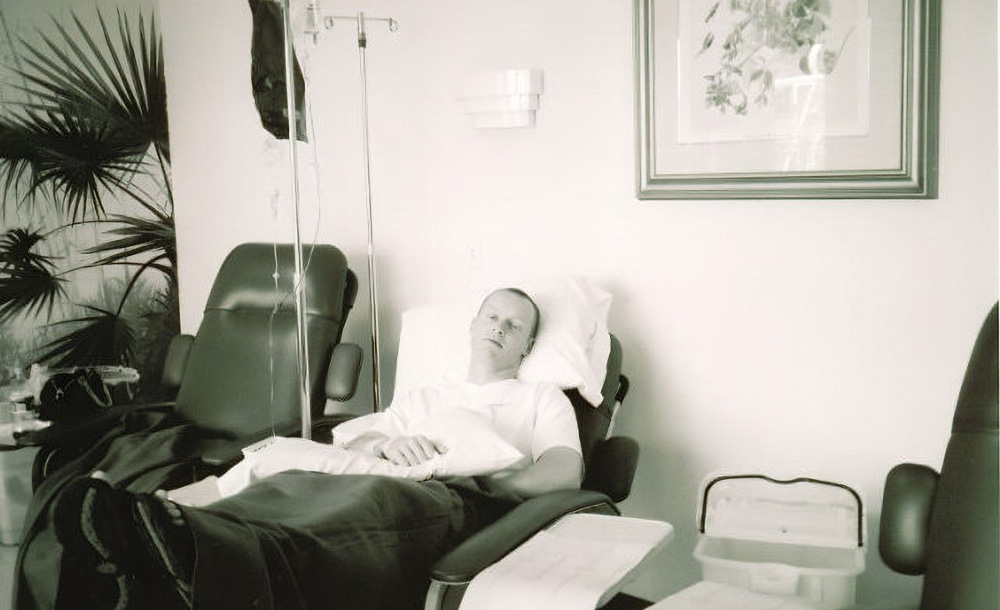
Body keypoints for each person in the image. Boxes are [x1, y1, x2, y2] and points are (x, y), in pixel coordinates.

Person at [50, 288, 583, 610]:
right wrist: (392, 442)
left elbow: (565, 471)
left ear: (528, 346)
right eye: (492, 316)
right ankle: (170, 535)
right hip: (380, 471)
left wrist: (480, 477)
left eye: (515, 325)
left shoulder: (539, 398)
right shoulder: (427, 396)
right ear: (471, 326)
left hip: (451, 497)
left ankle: (189, 549)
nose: (499, 328)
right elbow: (365, 436)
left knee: (365, 505)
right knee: (291, 481)